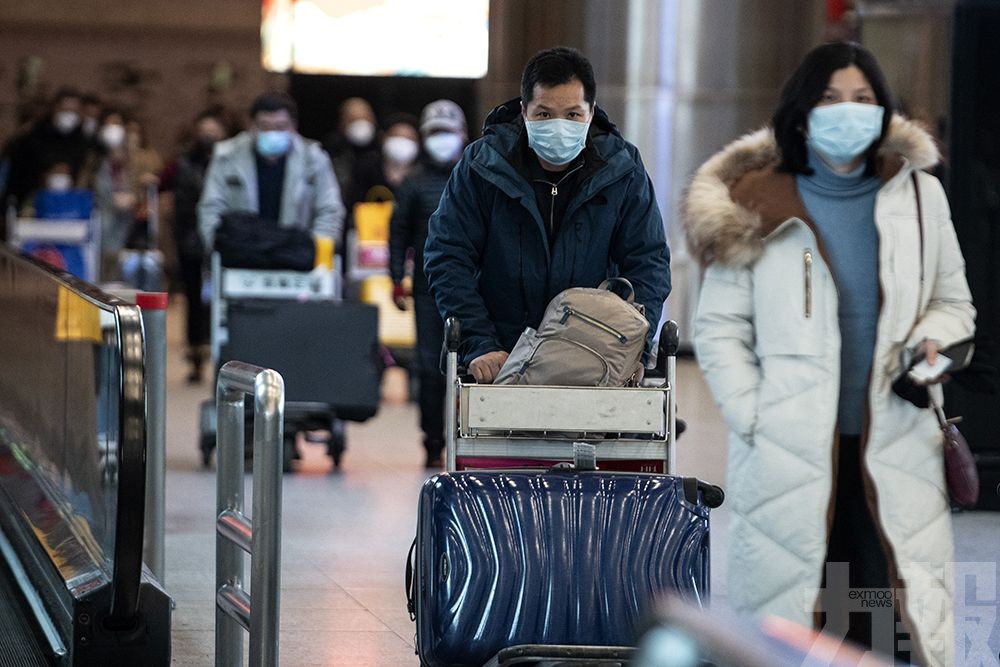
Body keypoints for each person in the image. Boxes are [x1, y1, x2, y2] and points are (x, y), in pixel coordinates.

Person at [682, 42, 974, 667]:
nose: (849, 112)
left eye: (863, 100)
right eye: (830, 99)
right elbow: (720, 328)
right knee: (798, 625)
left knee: (890, 619)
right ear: (801, 111)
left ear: (884, 111)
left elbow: (955, 302)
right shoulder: (756, 201)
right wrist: (756, 416)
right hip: (790, 449)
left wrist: (935, 340)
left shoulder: (920, 197)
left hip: (896, 445)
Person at [423, 47, 670, 383]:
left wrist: (630, 347)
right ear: (524, 111)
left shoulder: (622, 170)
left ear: (591, 112)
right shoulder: (482, 166)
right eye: (543, 114)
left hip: (595, 360)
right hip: (499, 360)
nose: (558, 126)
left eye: (572, 115)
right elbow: (448, 256)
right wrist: (479, 342)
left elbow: (647, 263)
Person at [389, 100, 468, 467]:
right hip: (426, 288)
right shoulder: (413, 183)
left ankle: (468, 441)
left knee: (471, 368)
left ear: (463, 136)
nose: (442, 140)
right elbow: (398, 232)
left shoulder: (475, 177)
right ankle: (433, 442)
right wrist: (395, 277)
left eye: (447, 133)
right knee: (429, 368)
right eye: (435, 133)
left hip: (472, 289)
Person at [198, 92, 344, 252]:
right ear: (251, 126)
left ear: (293, 127)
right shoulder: (226, 157)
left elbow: (329, 210)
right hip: (240, 257)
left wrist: (314, 250)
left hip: (298, 258)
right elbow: (211, 207)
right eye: (264, 127)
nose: (272, 134)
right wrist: (219, 247)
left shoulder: (314, 159)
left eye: (280, 127)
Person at [161, 109, 230, 383]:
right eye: (205, 131)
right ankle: (196, 354)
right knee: (193, 296)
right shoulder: (182, 162)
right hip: (189, 235)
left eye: (214, 131)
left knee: (218, 298)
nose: (209, 137)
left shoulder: (229, 160)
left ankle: (220, 352)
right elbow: (164, 184)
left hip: (221, 238)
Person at [3, 87, 91, 210]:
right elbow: (18, 171)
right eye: (65, 110)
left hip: (69, 206)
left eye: (73, 111)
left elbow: (85, 171)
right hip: (31, 203)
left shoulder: (82, 140)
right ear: (55, 108)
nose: (69, 115)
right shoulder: (33, 136)